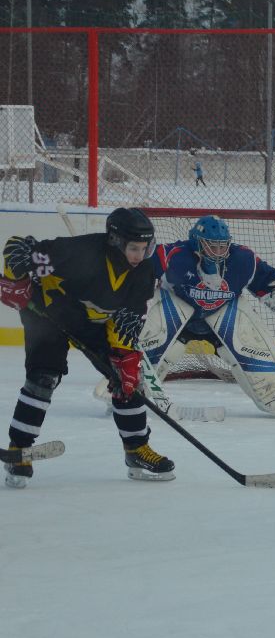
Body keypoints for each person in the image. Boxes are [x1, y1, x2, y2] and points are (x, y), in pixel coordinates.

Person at [2, 207, 175, 487]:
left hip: (94, 323)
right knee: (43, 377)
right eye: (133, 248)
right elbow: (19, 249)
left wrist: (123, 363)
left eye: (145, 248)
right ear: (116, 242)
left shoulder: (143, 272)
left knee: (127, 380)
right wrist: (16, 278)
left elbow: (126, 320)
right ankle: (18, 450)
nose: (139, 255)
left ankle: (136, 449)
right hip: (49, 314)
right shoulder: (78, 253)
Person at [144, 214, 275, 417]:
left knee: (248, 349)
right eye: (211, 246)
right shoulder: (172, 255)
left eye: (222, 246)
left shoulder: (243, 259)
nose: (218, 252)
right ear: (196, 243)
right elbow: (137, 267)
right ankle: (125, 393)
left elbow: (270, 286)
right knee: (158, 347)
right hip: (180, 312)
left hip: (222, 314)